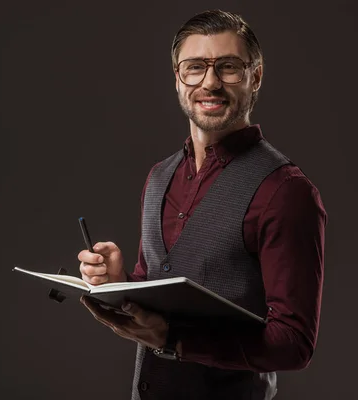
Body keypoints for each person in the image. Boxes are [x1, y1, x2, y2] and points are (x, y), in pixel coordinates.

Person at [77, 9, 327, 400]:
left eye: (228, 67)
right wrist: (120, 283)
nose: (210, 82)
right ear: (178, 78)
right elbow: (157, 294)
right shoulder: (159, 177)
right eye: (195, 67)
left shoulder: (286, 192)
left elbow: (294, 343)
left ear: (255, 76)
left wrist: (175, 339)